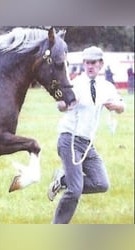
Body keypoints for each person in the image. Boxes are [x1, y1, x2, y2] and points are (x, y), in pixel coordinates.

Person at [47, 46, 126, 224]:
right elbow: (59, 105)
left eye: (94, 63)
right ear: (83, 64)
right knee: (75, 190)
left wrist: (117, 107)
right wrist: (67, 104)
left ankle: (62, 180)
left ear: (101, 64)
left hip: (88, 145)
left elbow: (122, 105)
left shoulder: (106, 87)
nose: (90, 66)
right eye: (87, 62)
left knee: (101, 183)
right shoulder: (74, 84)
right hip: (69, 139)